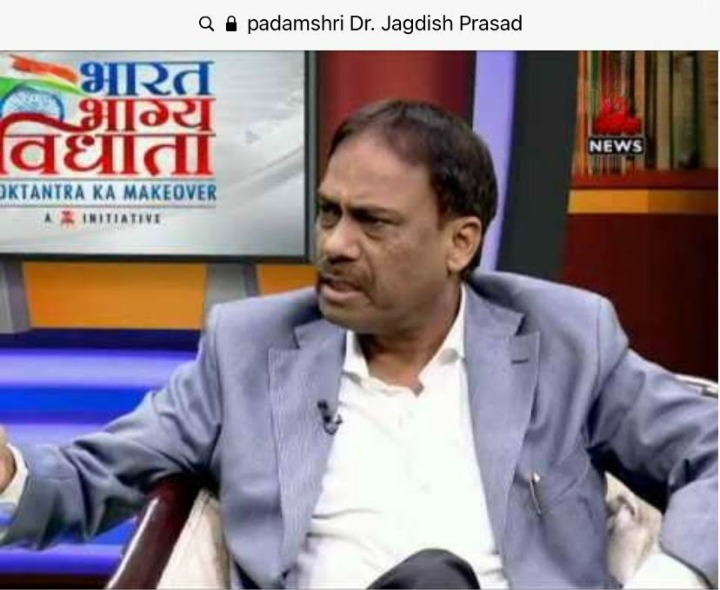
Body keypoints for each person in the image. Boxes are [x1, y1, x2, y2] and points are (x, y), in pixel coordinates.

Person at [0, 99, 717, 589]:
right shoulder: (249, 347)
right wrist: (7, 472)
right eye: (328, 212)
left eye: (373, 223)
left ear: (460, 243)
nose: (335, 245)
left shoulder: (566, 340)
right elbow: (94, 476)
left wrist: (672, 578)